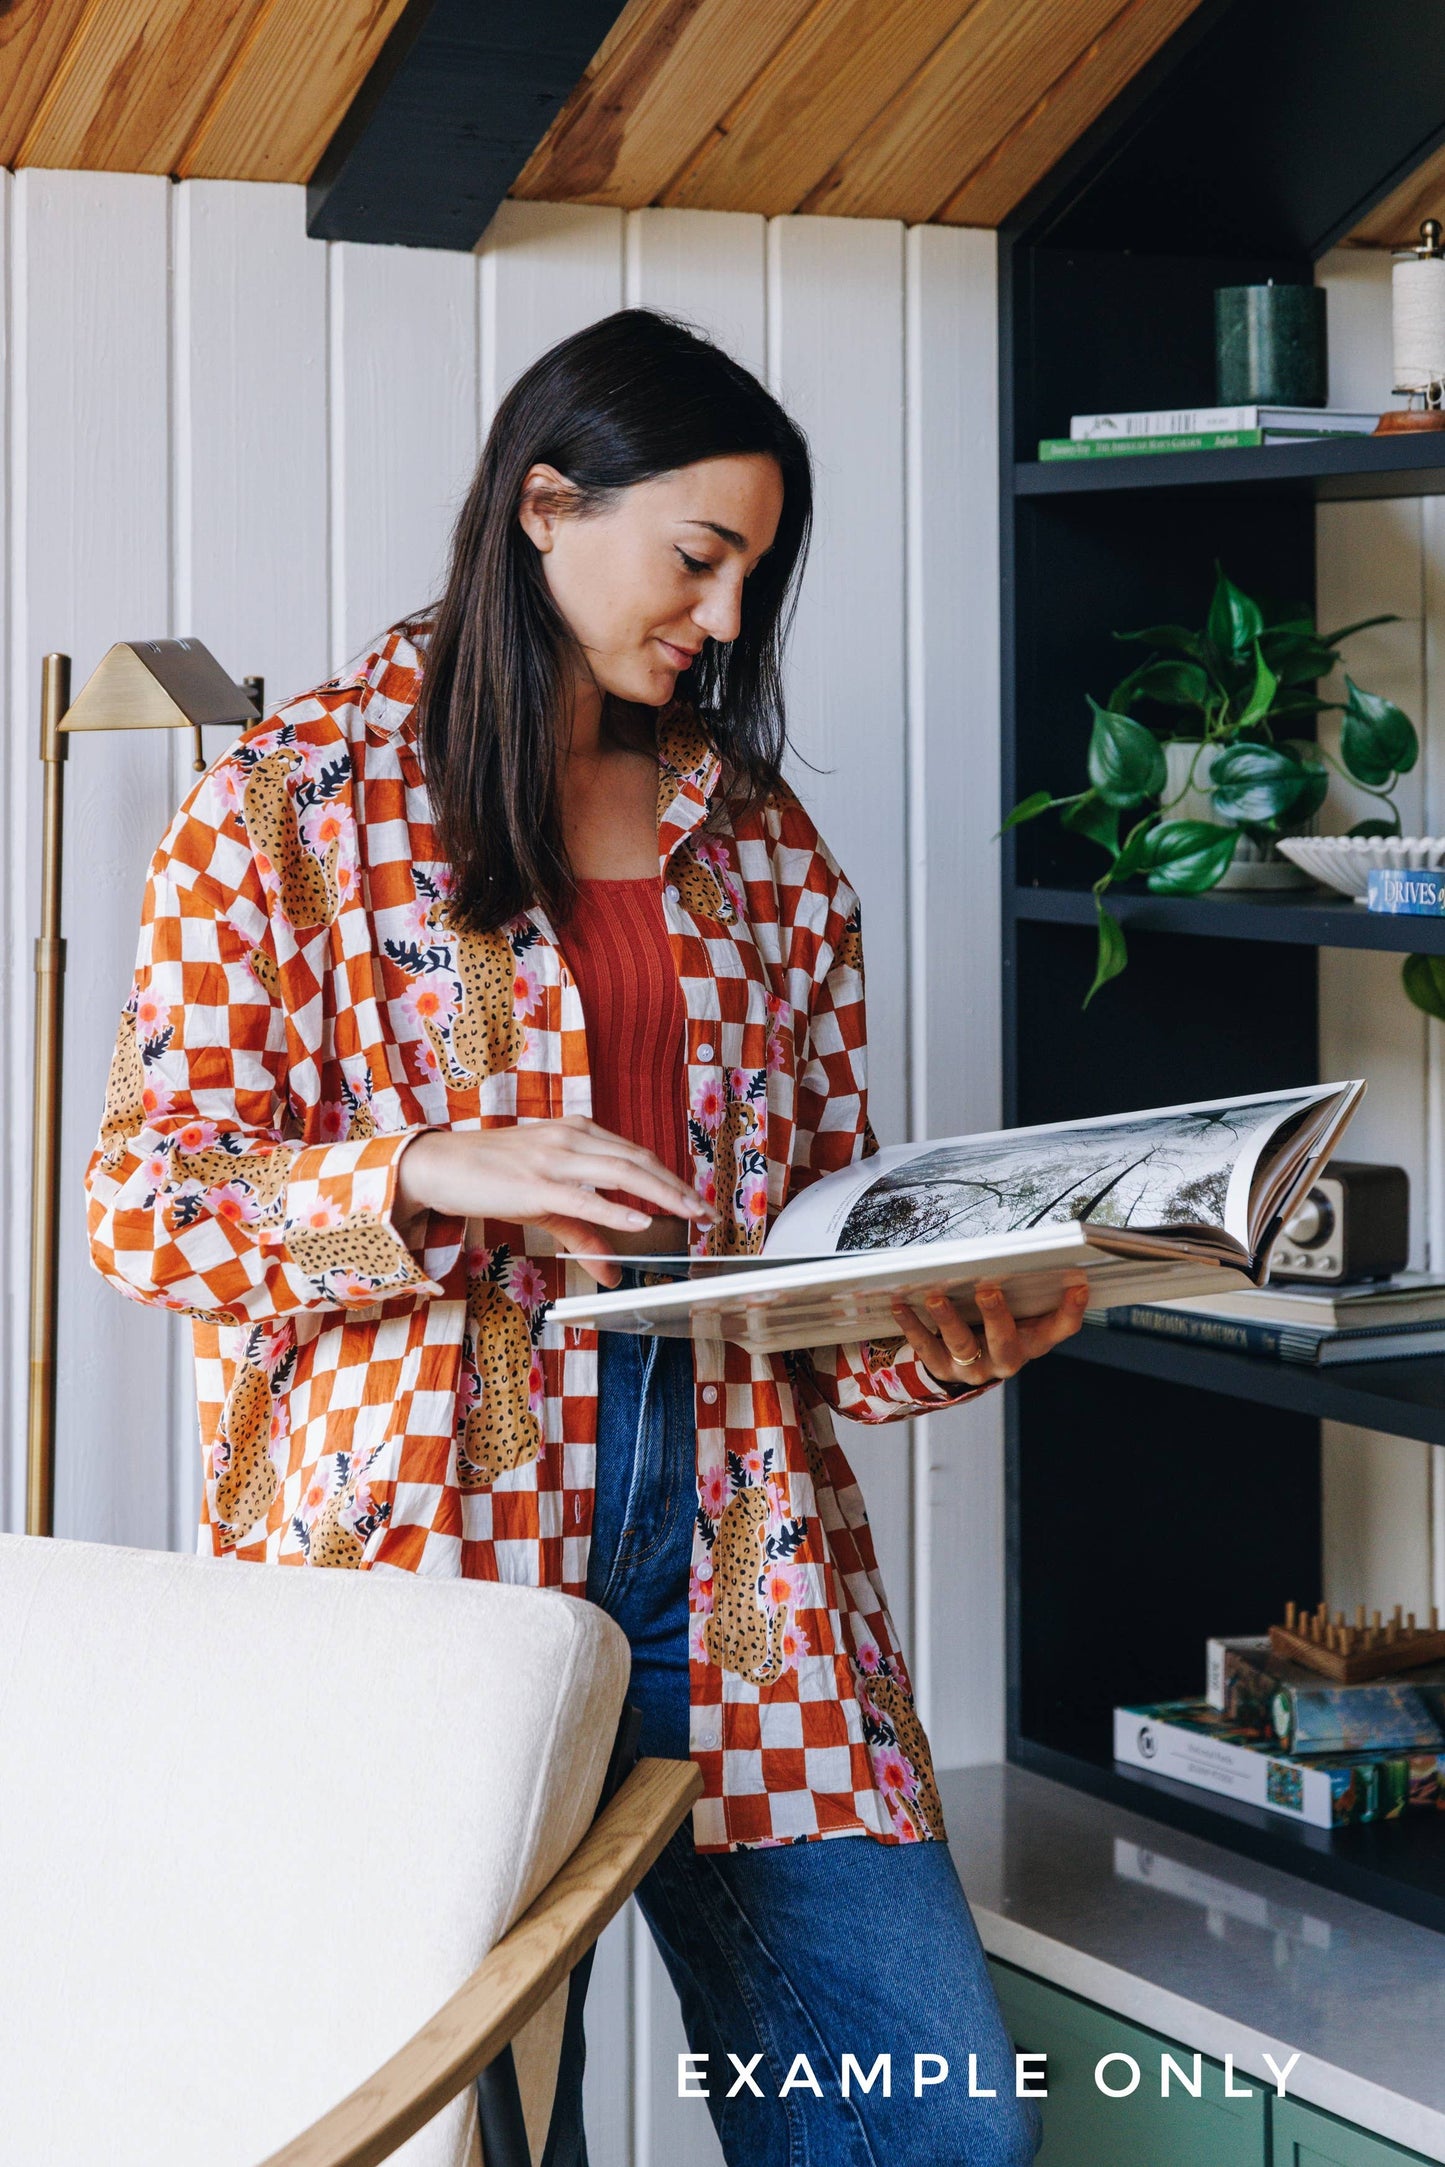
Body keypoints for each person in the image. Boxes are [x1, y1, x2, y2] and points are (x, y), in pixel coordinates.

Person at [87, 309, 1085, 2166]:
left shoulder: (760, 843)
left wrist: (929, 1330)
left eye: (752, 575)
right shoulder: (286, 809)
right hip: (423, 1573)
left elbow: (811, 1229)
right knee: (469, 2143)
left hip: (744, 1553)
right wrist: (428, 1168)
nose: (725, 616)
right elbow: (145, 1205)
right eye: (697, 557)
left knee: (935, 2123)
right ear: (546, 506)